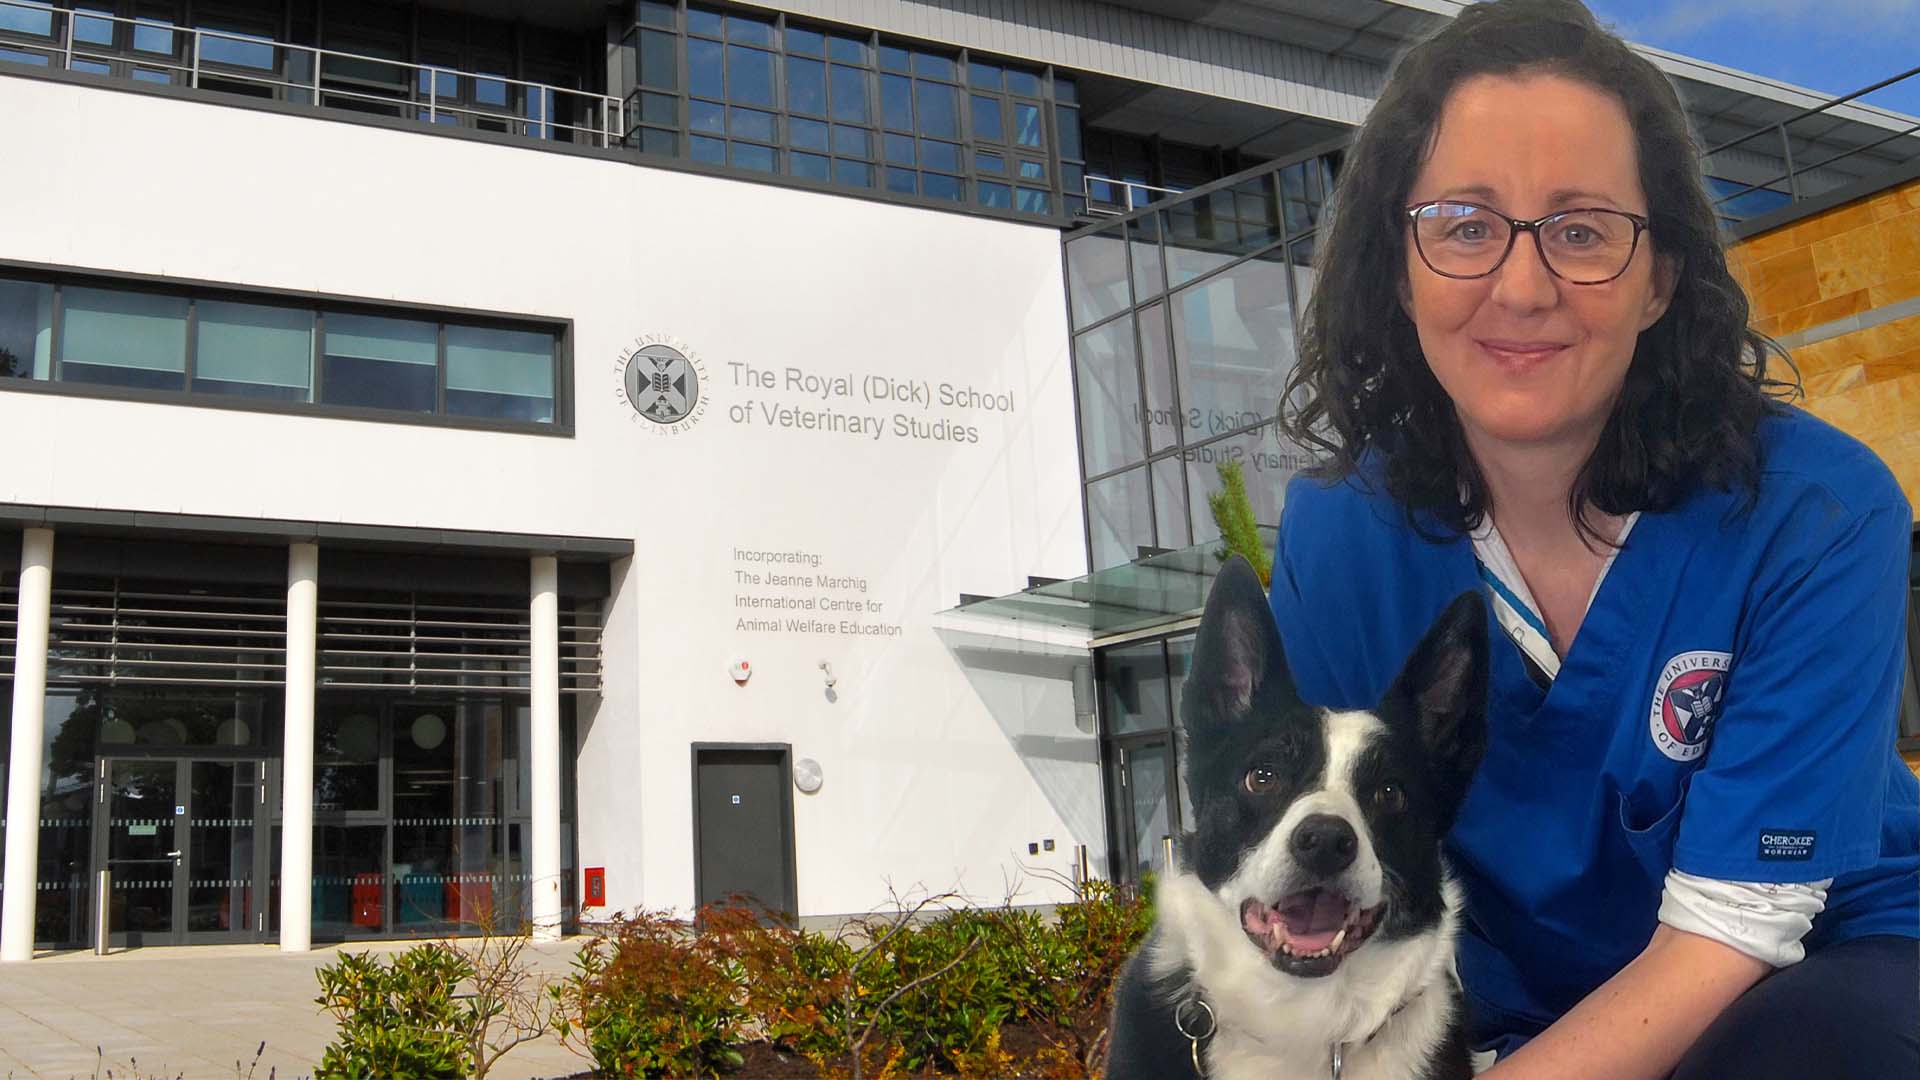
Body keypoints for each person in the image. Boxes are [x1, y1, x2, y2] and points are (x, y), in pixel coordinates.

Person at [1263, 1, 1920, 1076]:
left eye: (1581, 231)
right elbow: (1321, 895)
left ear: (1660, 277)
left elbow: (1737, 933)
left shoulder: (1819, 513)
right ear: (1399, 267)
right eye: (1466, 225)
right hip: (1506, 1010)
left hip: (1821, 970)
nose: (1522, 287)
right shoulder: (1342, 539)